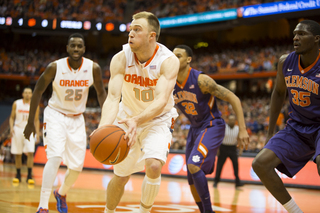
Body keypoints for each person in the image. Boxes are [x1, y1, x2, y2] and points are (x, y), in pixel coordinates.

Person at [97, 11, 179, 213]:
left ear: (152, 36)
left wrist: (138, 120)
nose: (130, 33)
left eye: (137, 29)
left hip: (157, 120)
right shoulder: (120, 58)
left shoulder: (168, 61)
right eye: (130, 29)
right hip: (127, 118)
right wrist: (103, 127)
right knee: (121, 176)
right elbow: (113, 98)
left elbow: (161, 101)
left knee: (153, 166)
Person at [24, 33, 106, 213]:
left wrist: (106, 119)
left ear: (84, 49)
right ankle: (43, 206)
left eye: (79, 46)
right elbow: (37, 91)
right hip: (55, 115)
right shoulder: (55, 67)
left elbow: (101, 93)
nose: (76, 49)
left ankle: (61, 193)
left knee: (76, 168)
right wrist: (31, 122)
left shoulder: (93, 68)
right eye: (73, 46)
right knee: (54, 158)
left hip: (77, 118)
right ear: (67, 48)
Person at [252, 20, 320, 213]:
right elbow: (278, 94)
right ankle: (295, 211)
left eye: (301, 34)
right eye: (294, 34)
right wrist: (270, 131)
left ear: (317, 39)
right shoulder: (285, 61)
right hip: (296, 127)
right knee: (260, 164)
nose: (295, 38)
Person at [172, 45, 249, 213]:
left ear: (188, 59)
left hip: (212, 125)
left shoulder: (201, 80)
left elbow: (234, 98)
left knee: (193, 165)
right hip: (195, 129)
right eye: (172, 55)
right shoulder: (169, 82)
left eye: (178, 56)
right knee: (191, 179)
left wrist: (242, 129)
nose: (173, 58)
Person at [9, 87, 40, 184]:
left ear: (31, 95)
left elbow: (36, 120)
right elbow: (11, 117)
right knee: (18, 154)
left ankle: (29, 176)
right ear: (22, 94)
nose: (27, 94)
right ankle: (18, 175)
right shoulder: (16, 103)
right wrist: (11, 128)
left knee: (30, 153)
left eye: (29, 93)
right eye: (26, 92)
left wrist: (38, 133)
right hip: (18, 129)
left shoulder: (35, 105)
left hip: (29, 130)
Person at [213, 114, 244, 188]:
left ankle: (237, 182)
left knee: (235, 165)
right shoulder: (224, 127)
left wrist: (240, 150)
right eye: (230, 120)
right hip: (223, 148)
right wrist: (217, 149)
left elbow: (240, 140)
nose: (231, 121)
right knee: (219, 165)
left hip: (232, 148)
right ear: (228, 120)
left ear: (235, 121)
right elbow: (218, 139)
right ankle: (216, 181)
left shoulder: (237, 128)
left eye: (233, 120)